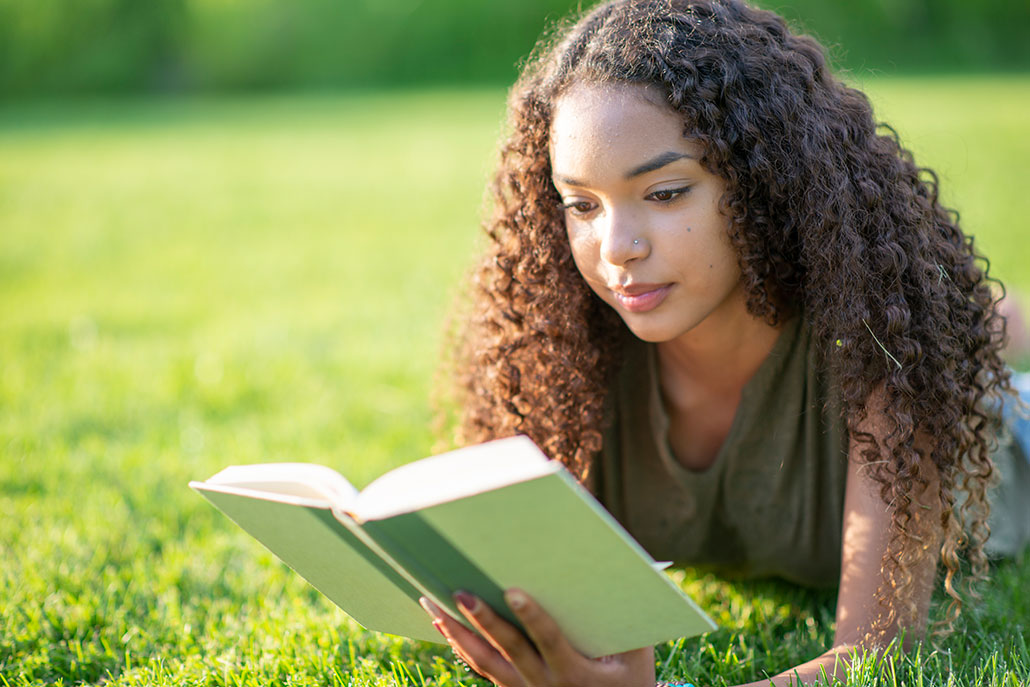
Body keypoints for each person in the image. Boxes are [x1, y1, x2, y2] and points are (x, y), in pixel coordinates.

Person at [420, 0, 1030, 685]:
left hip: (1015, 425)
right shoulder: (564, 362)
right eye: (582, 204)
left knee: (979, 327)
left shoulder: (887, 356)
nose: (618, 248)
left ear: (763, 182)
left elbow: (878, 658)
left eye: (666, 192)